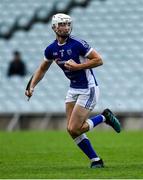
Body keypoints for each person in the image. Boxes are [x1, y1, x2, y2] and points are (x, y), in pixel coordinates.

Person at [25, 13, 121, 168]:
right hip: (73, 88)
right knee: (71, 130)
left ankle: (104, 117)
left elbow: (99, 60)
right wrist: (32, 86)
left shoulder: (78, 44)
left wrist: (78, 66)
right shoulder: (51, 49)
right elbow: (42, 69)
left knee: (74, 127)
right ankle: (96, 160)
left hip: (88, 89)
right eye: (62, 24)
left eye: (68, 24)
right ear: (54, 27)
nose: (66, 27)